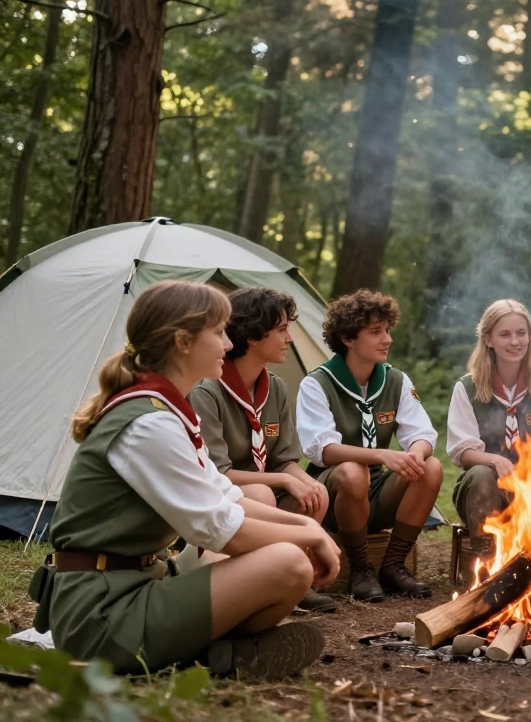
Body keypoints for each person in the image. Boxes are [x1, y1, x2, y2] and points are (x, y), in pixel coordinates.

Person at [28, 281, 340, 679]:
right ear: (183, 343)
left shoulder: (164, 411)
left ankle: (217, 650)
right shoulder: (148, 423)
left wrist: (306, 526)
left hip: (135, 584)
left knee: (275, 550)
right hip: (101, 614)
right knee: (290, 563)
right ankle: (211, 656)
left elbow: (227, 497)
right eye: (219, 333)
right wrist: (309, 538)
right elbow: (219, 529)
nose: (229, 345)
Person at [189, 287, 336, 613]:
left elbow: (284, 459)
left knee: (317, 491)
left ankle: (299, 577)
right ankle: (254, 577)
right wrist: (283, 481)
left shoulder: (277, 388)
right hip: (223, 499)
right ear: (253, 336)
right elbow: (219, 475)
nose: (290, 339)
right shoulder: (208, 391)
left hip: (262, 488)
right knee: (261, 494)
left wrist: (302, 480)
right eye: (282, 330)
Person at [296, 289, 442, 602]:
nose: (387, 339)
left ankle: (392, 565)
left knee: (429, 466)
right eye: (375, 332)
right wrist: (380, 455)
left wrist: (414, 454)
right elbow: (321, 449)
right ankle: (361, 569)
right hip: (334, 497)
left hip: (380, 495)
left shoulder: (395, 380)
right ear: (348, 338)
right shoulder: (317, 383)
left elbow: (423, 433)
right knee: (352, 470)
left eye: (387, 330)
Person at [447, 299, 531, 565]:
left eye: (521, 333)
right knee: (482, 474)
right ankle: (488, 561)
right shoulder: (467, 388)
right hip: (482, 493)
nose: (515, 341)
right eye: (504, 334)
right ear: (488, 339)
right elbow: (462, 451)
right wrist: (495, 460)